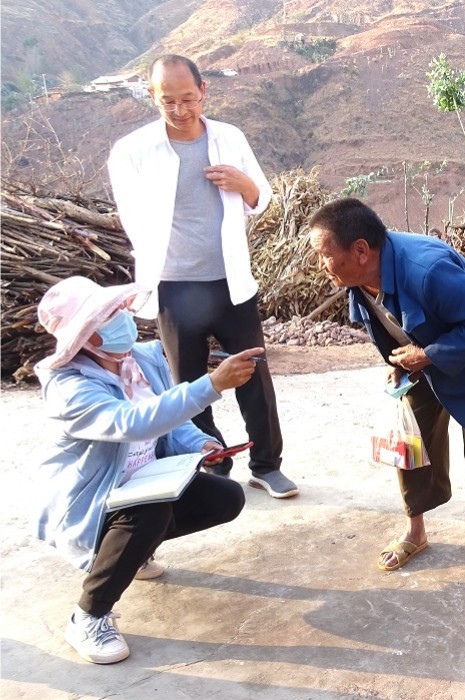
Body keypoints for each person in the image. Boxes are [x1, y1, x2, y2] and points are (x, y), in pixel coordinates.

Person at [34, 276, 263, 664]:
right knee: (149, 513)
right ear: (86, 337)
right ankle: (88, 615)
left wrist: (200, 445)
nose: (123, 319)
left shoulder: (138, 359)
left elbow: (170, 417)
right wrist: (210, 385)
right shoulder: (68, 387)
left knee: (225, 497)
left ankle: (132, 552)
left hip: (146, 482)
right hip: (95, 503)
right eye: (108, 317)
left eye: (119, 310)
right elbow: (133, 422)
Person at [107, 54, 297, 499]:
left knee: (254, 377)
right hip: (173, 286)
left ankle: (267, 466)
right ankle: (213, 463)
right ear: (152, 96)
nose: (179, 109)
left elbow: (263, 200)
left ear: (203, 91)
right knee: (189, 384)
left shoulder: (230, 138)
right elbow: (132, 219)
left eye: (188, 98)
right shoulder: (133, 151)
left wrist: (243, 184)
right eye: (168, 101)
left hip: (231, 281)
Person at [308, 198, 465, 574]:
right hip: (421, 358)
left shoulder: (427, 269)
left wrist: (426, 355)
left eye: (325, 255)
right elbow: (385, 324)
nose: (321, 265)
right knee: (411, 442)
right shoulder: (358, 277)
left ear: (360, 250)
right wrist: (397, 363)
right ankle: (415, 530)